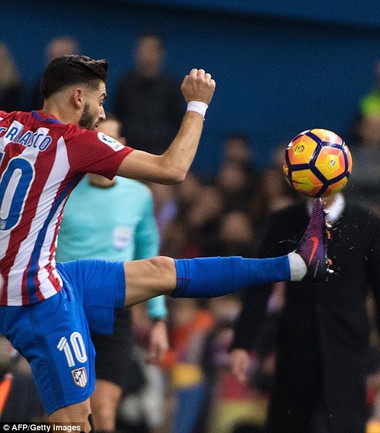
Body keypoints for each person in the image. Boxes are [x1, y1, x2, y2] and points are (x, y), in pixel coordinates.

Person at [0, 54, 329, 432]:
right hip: (35, 301)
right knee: (74, 428)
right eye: (101, 99)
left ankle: (296, 264)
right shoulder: (75, 143)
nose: (103, 111)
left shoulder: (5, 123)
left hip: (51, 277)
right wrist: (197, 104)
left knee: (160, 269)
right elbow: (171, 169)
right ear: (78, 98)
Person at [230, 193, 380, 433]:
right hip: (295, 347)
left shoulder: (367, 224)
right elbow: (259, 285)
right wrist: (242, 343)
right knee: (289, 423)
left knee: (342, 423)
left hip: (347, 348)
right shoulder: (283, 221)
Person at [56, 114, 169, 433]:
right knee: (70, 417)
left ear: (122, 147)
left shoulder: (139, 196)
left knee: (104, 412)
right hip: (64, 312)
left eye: (111, 142)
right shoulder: (62, 190)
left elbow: (149, 254)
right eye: (97, 141)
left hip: (114, 313)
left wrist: (157, 319)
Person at [113, 33, 185, 155]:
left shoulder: (172, 87)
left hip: (160, 154)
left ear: (161, 53)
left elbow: (178, 123)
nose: (146, 55)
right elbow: (116, 117)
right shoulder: (125, 83)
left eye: (151, 50)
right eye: (142, 49)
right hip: (128, 154)